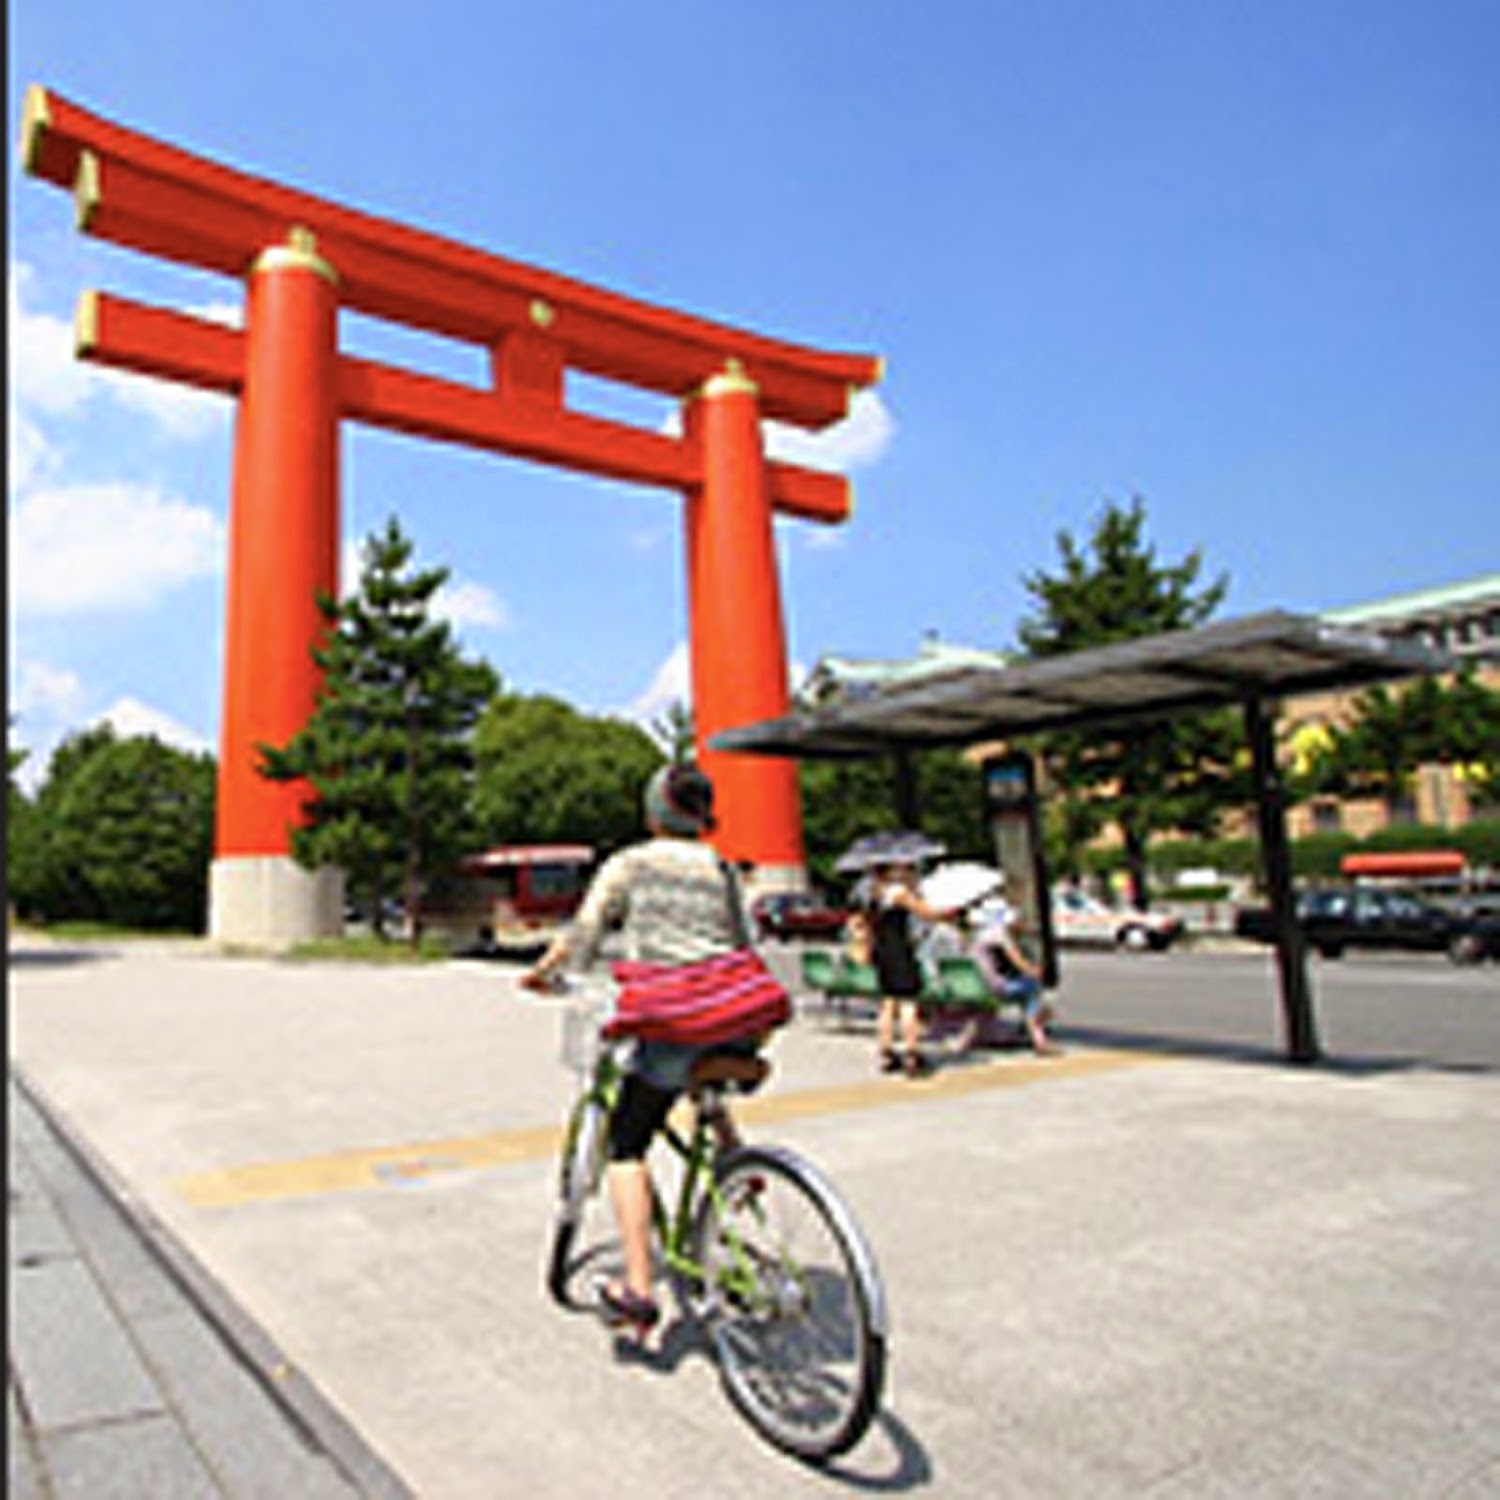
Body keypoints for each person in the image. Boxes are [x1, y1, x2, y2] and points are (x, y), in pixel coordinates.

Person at [521, 762, 754, 1337]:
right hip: (739, 1016)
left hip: (672, 1013)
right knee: (702, 1072)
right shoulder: (724, 870)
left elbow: (585, 932)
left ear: (654, 813)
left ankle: (639, 1289)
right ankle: (738, 1163)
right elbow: (744, 944)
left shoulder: (631, 863)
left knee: (628, 1144)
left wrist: (545, 973)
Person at [869, 861, 959, 1078]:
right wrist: (946, 914)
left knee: (888, 1003)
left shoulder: (874, 892)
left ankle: (886, 1051)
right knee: (908, 1002)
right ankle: (911, 1052)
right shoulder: (897, 892)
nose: (906, 871)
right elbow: (923, 912)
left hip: (882, 950)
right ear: (889, 871)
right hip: (899, 950)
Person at [971, 893, 1056, 1054]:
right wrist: (1036, 972)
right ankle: (1039, 1039)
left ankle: (1036, 1032)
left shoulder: (978, 937)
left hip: (980, 986)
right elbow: (1019, 962)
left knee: (1030, 989)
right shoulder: (1000, 936)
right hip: (998, 987)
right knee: (1034, 990)